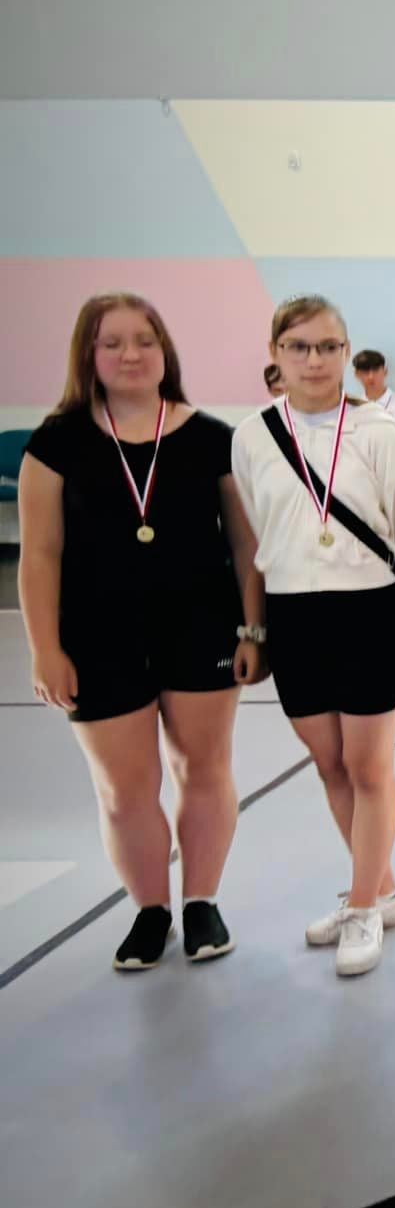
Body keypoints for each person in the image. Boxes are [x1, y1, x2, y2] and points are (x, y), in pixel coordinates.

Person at [20, 293, 263, 970]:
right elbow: (39, 555)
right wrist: (45, 649)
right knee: (126, 789)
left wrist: (253, 630)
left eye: (145, 340)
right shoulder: (56, 443)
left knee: (204, 769)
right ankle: (151, 909)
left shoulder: (213, 438)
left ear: (165, 351)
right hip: (97, 639)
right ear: (89, 356)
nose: (131, 354)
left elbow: (246, 546)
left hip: (202, 629)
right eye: (113, 343)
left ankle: (201, 901)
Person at [232, 296, 395, 976]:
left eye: (327, 347)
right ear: (276, 354)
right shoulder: (253, 436)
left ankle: (364, 907)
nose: (314, 360)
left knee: (369, 768)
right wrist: (256, 628)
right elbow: (260, 534)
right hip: (294, 616)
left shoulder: (378, 432)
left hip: (368, 612)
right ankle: (384, 890)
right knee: (330, 765)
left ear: (346, 353)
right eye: (299, 347)